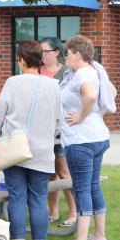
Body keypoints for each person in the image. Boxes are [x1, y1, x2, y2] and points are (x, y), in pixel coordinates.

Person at [0, 40, 62, 240]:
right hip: (43, 151)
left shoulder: (12, 82)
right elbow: (59, 122)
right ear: (40, 59)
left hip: (15, 150)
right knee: (39, 201)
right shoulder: (53, 86)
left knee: (17, 199)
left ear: (22, 60)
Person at [56, 35, 111, 240]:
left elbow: (90, 95)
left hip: (82, 141)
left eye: (67, 53)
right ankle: (99, 235)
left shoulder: (83, 74)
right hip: (98, 137)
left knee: (81, 189)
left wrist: (81, 117)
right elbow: (111, 93)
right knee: (92, 186)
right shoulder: (94, 70)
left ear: (77, 54)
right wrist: (96, 115)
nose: (65, 56)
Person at [40, 36, 77, 227]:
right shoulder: (38, 72)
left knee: (63, 170)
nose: (43, 55)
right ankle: (53, 212)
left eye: (46, 51)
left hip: (61, 129)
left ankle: (73, 213)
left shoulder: (66, 72)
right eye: (41, 51)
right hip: (43, 129)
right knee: (49, 173)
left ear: (56, 52)